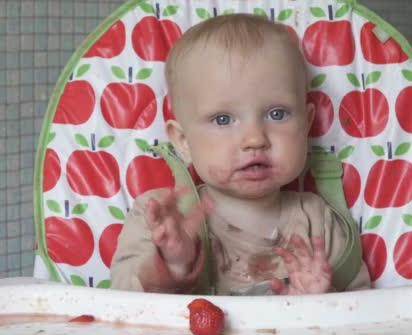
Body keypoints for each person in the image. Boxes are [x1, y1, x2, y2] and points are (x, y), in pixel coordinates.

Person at [110, 13, 371, 295]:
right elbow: (126, 304)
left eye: (277, 113)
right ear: (183, 141)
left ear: (306, 125)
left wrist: (321, 300)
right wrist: (172, 265)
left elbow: (363, 316)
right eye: (223, 119)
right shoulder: (164, 219)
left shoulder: (318, 223)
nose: (255, 138)